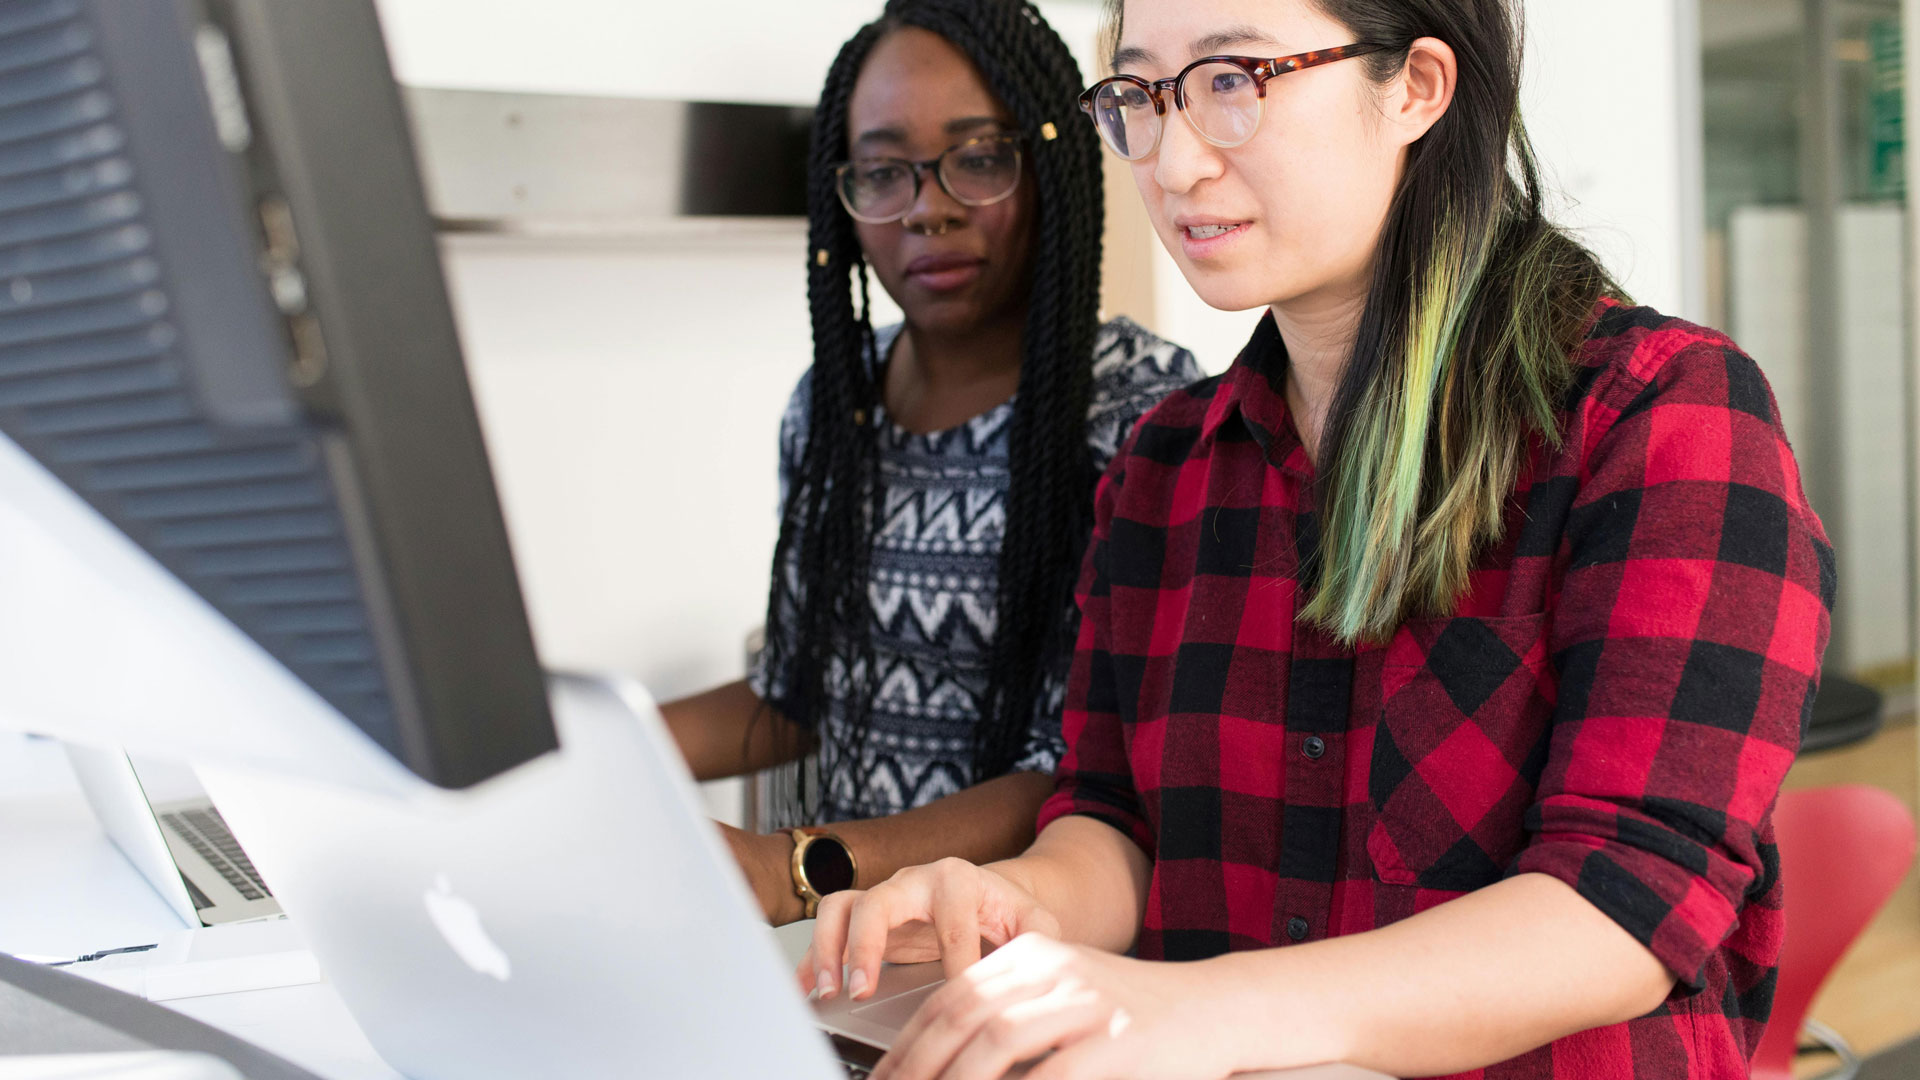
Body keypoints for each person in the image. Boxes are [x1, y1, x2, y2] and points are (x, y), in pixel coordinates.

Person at [801, 1, 1834, 1077]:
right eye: (1143, 96)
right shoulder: (1164, 464)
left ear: (1417, 88)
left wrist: (1197, 1011)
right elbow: (1112, 824)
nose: (1176, 163)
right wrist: (1014, 901)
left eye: (1233, 81)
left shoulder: (1661, 417)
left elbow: (1624, 903)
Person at [662, 0, 1200, 927]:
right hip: (844, 951)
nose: (929, 208)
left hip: (1024, 949)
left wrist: (798, 868)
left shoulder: (1142, 413)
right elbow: (794, 691)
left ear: (1051, 169)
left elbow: (1085, 772)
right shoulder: (834, 406)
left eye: (979, 158)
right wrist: (580, 750)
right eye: (883, 173)